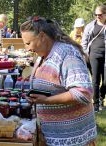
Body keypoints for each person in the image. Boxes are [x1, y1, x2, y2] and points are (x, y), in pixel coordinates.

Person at [20, 16, 97, 146]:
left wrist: (46, 101)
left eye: (28, 43)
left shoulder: (67, 54)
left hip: (73, 138)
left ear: (42, 36)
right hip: (56, 137)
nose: (27, 48)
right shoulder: (44, 55)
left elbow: (83, 93)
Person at [82, 4, 106, 112]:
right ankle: (96, 104)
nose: (97, 17)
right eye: (95, 14)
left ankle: (101, 97)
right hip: (93, 55)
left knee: (105, 81)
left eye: (100, 15)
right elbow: (84, 41)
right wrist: (84, 53)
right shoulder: (90, 26)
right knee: (95, 80)